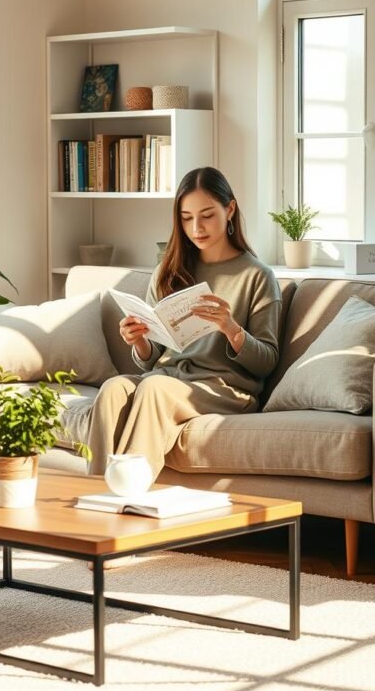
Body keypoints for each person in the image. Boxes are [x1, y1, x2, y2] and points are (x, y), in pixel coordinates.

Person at [72, 166, 282, 482]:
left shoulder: (258, 276)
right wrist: (139, 341)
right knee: (114, 388)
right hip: (168, 377)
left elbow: (266, 362)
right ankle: (97, 493)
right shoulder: (168, 271)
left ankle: (131, 496)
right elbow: (152, 361)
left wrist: (230, 327)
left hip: (224, 388)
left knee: (156, 388)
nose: (196, 227)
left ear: (230, 209)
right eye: (186, 218)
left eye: (207, 215)